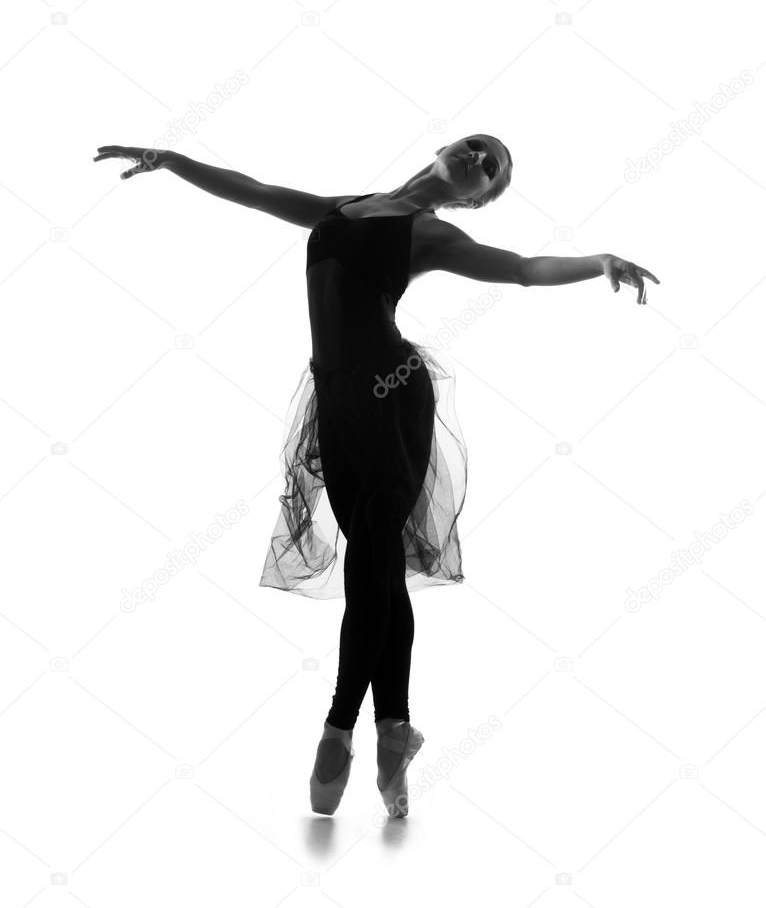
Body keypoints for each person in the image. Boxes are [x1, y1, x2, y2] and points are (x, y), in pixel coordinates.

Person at [93, 136, 660, 818]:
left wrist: (599, 261)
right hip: (333, 398)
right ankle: (395, 732)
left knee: (371, 558)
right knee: (381, 571)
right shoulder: (347, 204)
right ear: (446, 146)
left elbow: (522, 267)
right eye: (479, 147)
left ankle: (337, 729)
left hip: (393, 396)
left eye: (492, 169)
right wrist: (172, 160)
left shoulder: (431, 235)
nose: (481, 157)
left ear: (474, 198)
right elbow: (255, 190)